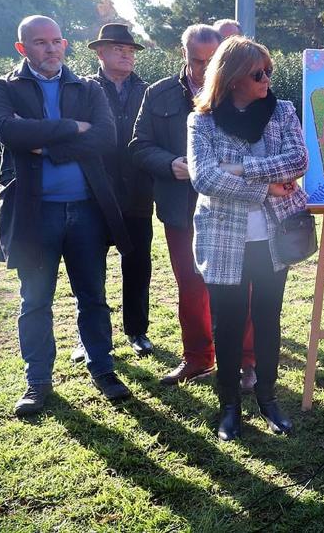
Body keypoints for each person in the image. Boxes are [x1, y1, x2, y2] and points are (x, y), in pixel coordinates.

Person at [0, 15, 134, 416]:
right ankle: (37, 382)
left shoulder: (86, 87)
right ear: (23, 48)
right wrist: (72, 127)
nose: (50, 49)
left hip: (87, 212)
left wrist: (45, 143)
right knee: (35, 301)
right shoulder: (2, 88)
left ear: (65, 44)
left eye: (56, 41)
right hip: (33, 214)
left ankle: (103, 369)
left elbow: (106, 137)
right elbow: (8, 132)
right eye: (39, 43)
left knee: (94, 297)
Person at [188, 36, 309, 441]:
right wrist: (264, 186)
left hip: (273, 236)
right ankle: (229, 407)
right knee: (228, 324)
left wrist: (236, 169)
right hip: (224, 238)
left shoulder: (282, 111)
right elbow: (203, 177)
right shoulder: (201, 120)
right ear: (234, 76)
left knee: (268, 319)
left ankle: (268, 399)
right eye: (259, 73)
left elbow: (297, 160)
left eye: (269, 71)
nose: (267, 80)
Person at [131, 25, 257, 388]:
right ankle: (198, 358)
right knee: (190, 283)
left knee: (241, 282)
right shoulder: (158, 94)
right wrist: (169, 163)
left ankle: (247, 361)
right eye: (196, 60)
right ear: (181, 53)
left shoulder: (239, 88)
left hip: (229, 206)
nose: (203, 69)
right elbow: (139, 146)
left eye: (211, 60)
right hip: (180, 206)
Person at [89, 23, 155, 358]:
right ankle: (91, 337)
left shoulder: (148, 91)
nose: (127, 54)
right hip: (94, 194)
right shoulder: (83, 89)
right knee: (90, 268)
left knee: (138, 264)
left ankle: (137, 331)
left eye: (130, 50)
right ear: (100, 52)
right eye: (118, 49)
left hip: (137, 193)